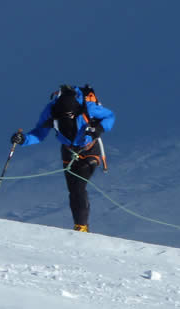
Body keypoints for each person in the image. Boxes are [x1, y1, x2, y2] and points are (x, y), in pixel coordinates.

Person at [9, 84, 115, 232]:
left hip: (90, 150)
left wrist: (98, 129)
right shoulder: (51, 110)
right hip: (68, 152)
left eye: (71, 115)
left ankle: (81, 227)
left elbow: (109, 116)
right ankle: (80, 225)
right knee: (73, 190)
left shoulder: (87, 107)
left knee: (78, 186)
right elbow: (39, 133)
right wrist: (23, 139)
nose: (68, 117)